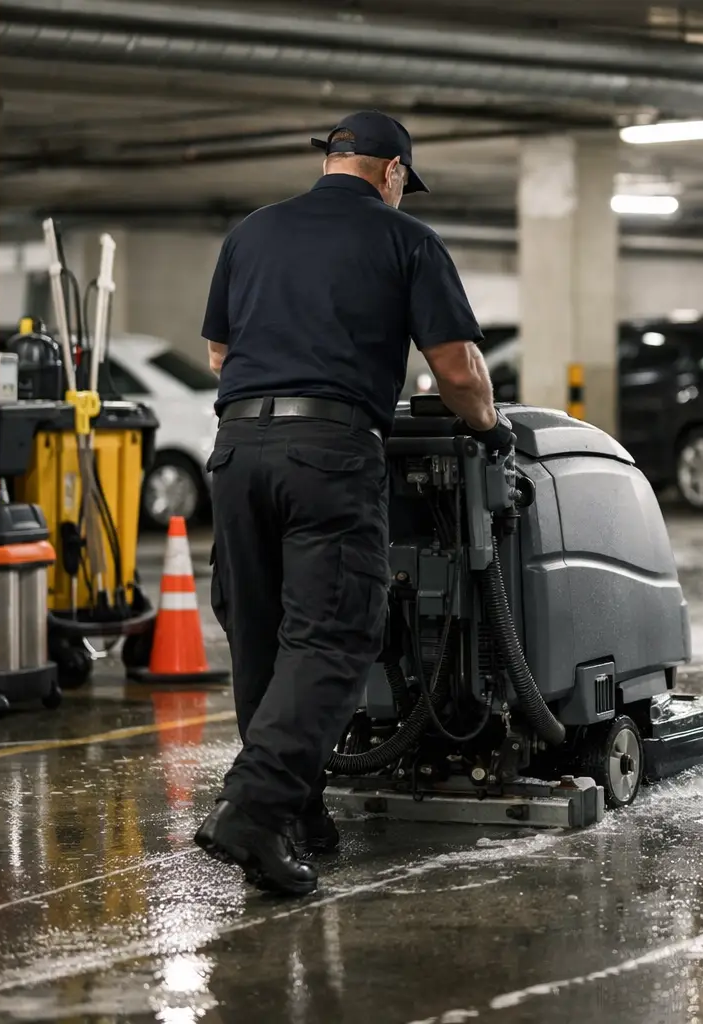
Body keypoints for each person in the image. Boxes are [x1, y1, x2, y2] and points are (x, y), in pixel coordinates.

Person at [193, 110, 513, 896]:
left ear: (332, 160)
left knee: (261, 638)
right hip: (329, 453)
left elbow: (220, 353)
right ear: (393, 172)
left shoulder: (252, 234)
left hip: (236, 450)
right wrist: (493, 431)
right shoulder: (405, 240)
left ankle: (295, 820)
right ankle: (253, 809)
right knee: (333, 637)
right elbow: (459, 371)